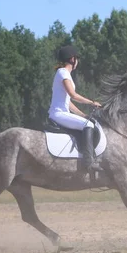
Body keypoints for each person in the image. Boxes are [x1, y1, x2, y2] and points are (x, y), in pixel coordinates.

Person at [48, 45, 103, 174]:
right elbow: (73, 95)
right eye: (77, 58)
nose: (77, 61)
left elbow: (68, 102)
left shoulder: (64, 73)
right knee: (88, 125)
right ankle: (89, 162)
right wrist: (92, 103)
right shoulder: (63, 73)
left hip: (62, 112)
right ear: (72, 59)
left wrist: (82, 115)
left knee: (87, 121)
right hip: (58, 114)